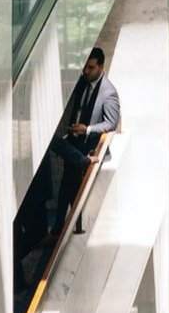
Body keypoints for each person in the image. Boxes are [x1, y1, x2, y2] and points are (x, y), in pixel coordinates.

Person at [45, 45, 120, 219]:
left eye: (91, 68)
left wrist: (87, 130)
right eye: (85, 67)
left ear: (102, 67)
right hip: (74, 144)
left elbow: (111, 123)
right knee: (65, 188)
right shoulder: (83, 83)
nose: (86, 71)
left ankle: (65, 226)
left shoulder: (108, 93)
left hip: (86, 147)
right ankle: (59, 227)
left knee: (72, 190)